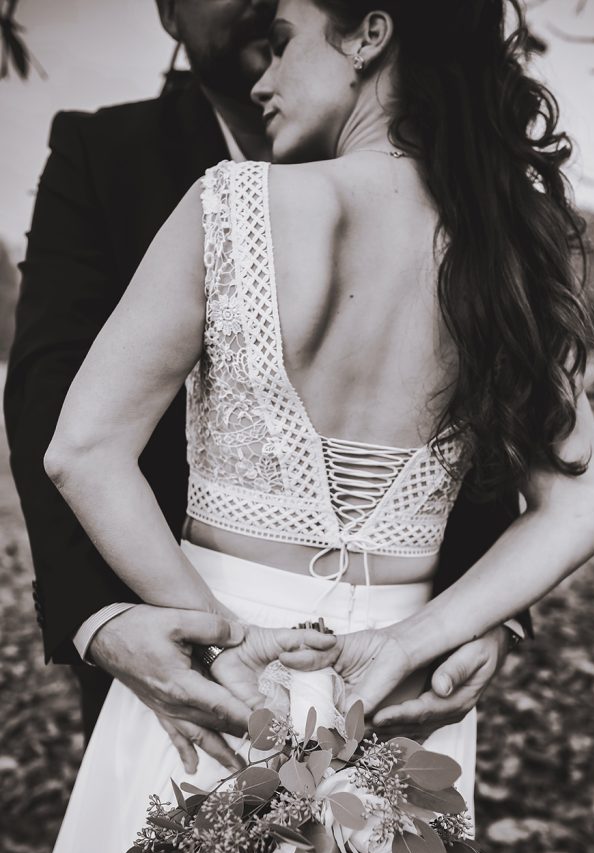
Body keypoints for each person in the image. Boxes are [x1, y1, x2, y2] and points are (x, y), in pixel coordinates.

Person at [4, 0, 594, 853]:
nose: (260, 75)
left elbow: (81, 445)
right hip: (396, 698)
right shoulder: (513, 238)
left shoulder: (236, 204)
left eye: (283, 39)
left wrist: (221, 634)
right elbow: (578, 506)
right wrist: (415, 637)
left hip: (219, 675)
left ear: (368, 34)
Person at [4, 0, 528, 780]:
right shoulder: (107, 152)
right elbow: (47, 388)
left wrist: (480, 610)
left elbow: (496, 418)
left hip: (403, 665)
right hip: (178, 638)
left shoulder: (484, 222)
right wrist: (108, 618)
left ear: (370, 35)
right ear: (169, 13)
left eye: (286, 36)